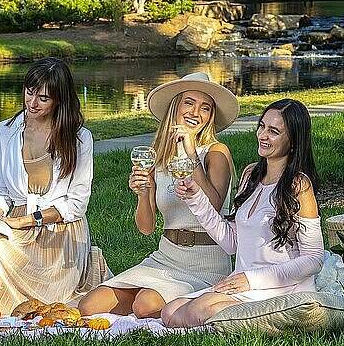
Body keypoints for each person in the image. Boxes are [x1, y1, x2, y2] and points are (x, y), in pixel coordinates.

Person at [78, 72, 239, 318]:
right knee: (89, 306)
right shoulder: (158, 158)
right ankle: (150, 290)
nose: (195, 112)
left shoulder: (215, 152)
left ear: (210, 117)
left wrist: (190, 152)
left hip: (205, 263)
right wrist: (143, 193)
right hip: (166, 256)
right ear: (175, 106)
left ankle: (173, 299)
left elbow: (214, 206)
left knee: (144, 306)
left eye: (205, 108)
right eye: (189, 103)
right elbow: (146, 227)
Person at [0, 57, 104, 315]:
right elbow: (1, 191)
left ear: (59, 99)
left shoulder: (79, 137)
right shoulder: (5, 130)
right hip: (16, 225)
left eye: (43, 98)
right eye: (29, 92)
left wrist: (27, 221)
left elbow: (77, 204)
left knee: (53, 299)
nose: (32, 103)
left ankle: (23, 302)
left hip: (59, 231)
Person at [161, 98, 324, 328]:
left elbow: (314, 259)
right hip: (242, 283)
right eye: (262, 126)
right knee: (170, 311)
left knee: (195, 312)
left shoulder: (298, 185)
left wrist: (251, 280)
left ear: (293, 141)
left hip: (279, 288)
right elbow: (231, 243)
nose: (263, 135)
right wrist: (195, 198)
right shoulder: (251, 175)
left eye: (274, 131)